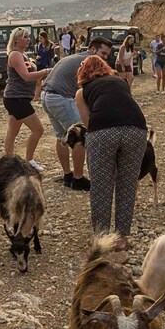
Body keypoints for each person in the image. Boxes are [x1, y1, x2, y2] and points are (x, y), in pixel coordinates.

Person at [75, 55, 147, 245]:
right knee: (127, 184)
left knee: (101, 187)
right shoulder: (120, 82)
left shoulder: (82, 92)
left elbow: (88, 123)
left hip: (102, 132)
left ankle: (102, 237)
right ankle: (122, 237)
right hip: (136, 129)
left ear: (83, 72)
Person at [40, 37, 112, 191]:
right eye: (103, 53)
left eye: (107, 55)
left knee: (62, 136)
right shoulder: (89, 62)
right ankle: (78, 179)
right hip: (61, 97)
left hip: (46, 96)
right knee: (79, 135)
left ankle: (68, 175)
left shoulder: (74, 57)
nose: (105, 57)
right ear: (92, 50)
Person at [3, 27, 51, 171]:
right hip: (16, 98)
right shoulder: (15, 55)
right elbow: (25, 76)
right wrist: (45, 71)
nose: (28, 39)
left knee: (12, 132)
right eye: (25, 37)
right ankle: (29, 160)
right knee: (38, 130)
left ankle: (9, 162)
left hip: (20, 98)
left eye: (28, 37)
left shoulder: (24, 55)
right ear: (17, 39)